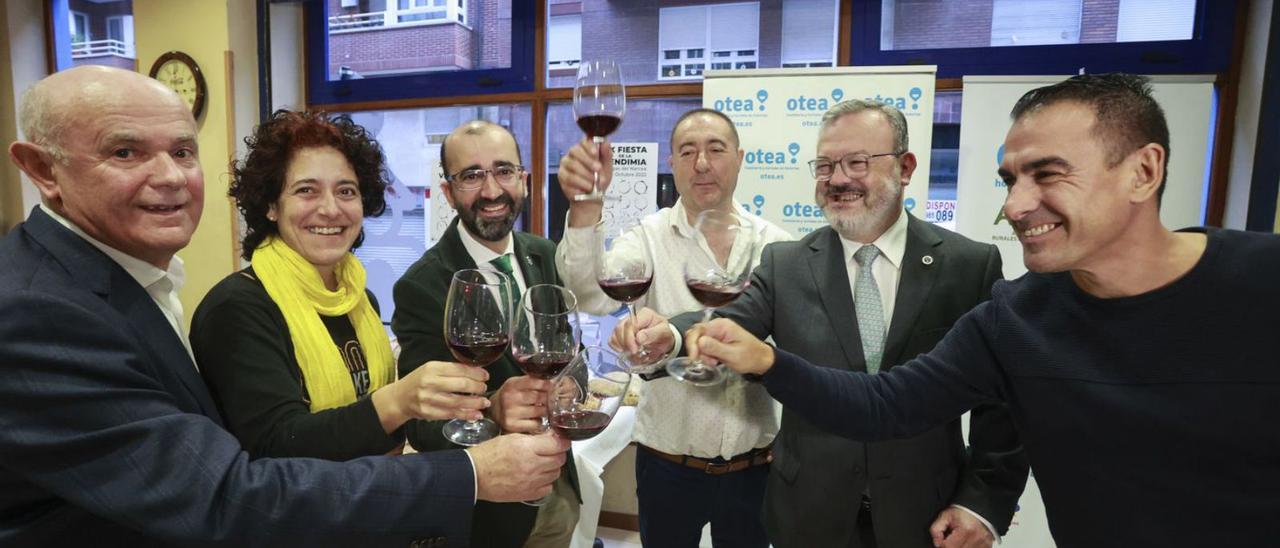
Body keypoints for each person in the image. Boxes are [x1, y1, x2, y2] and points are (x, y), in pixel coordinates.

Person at [683, 73, 1280, 548]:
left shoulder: (1261, 283)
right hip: (809, 513)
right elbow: (885, 403)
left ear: (1143, 171)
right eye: (1009, 179)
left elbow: (998, 426)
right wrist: (758, 358)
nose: (1016, 206)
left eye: (1046, 175)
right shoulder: (1018, 317)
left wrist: (983, 502)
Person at [0, 65, 568, 546]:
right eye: (125, 151)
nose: (169, 176)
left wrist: (486, 411)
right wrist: (456, 462)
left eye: (346, 191)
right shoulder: (225, 307)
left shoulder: (355, 296)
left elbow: (385, 434)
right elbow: (254, 466)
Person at [615, 100, 1029, 548]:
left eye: (857, 162)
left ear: (905, 167)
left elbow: (1003, 404)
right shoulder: (786, 262)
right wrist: (674, 335)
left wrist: (981, 503)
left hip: (925, 515)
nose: (838, 178)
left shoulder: (968, 265)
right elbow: (731, 318)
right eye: (826, 165)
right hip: (808, 515)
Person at [190, 110, 490, 461]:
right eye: (307, 191)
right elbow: (275, 445)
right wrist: (397, 401)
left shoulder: (359, 299)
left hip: (372, 502)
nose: (331, 209)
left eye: (346, 191)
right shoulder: (237, 308)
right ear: (271, 205)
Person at [555, 108, 792, 547]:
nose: (701, 163)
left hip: (755, 468)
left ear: (739, 158)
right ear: (672, 163)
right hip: (667, 466)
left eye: (715, 149)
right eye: (688, 151)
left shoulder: (775, 246)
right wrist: (585, 208)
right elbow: (591, 294)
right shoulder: (649, 236)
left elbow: (794, 351)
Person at [391, 120, 581, 548]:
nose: (492, 190)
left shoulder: (545, 255)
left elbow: (573, 354)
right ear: (448, 192)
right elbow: (420, 426)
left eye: (503, 171)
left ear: (524, 180)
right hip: (493, 513)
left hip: (560, 490)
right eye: (472, 175)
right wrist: (492, 409)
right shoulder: (422, 285)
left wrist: (570, 385)